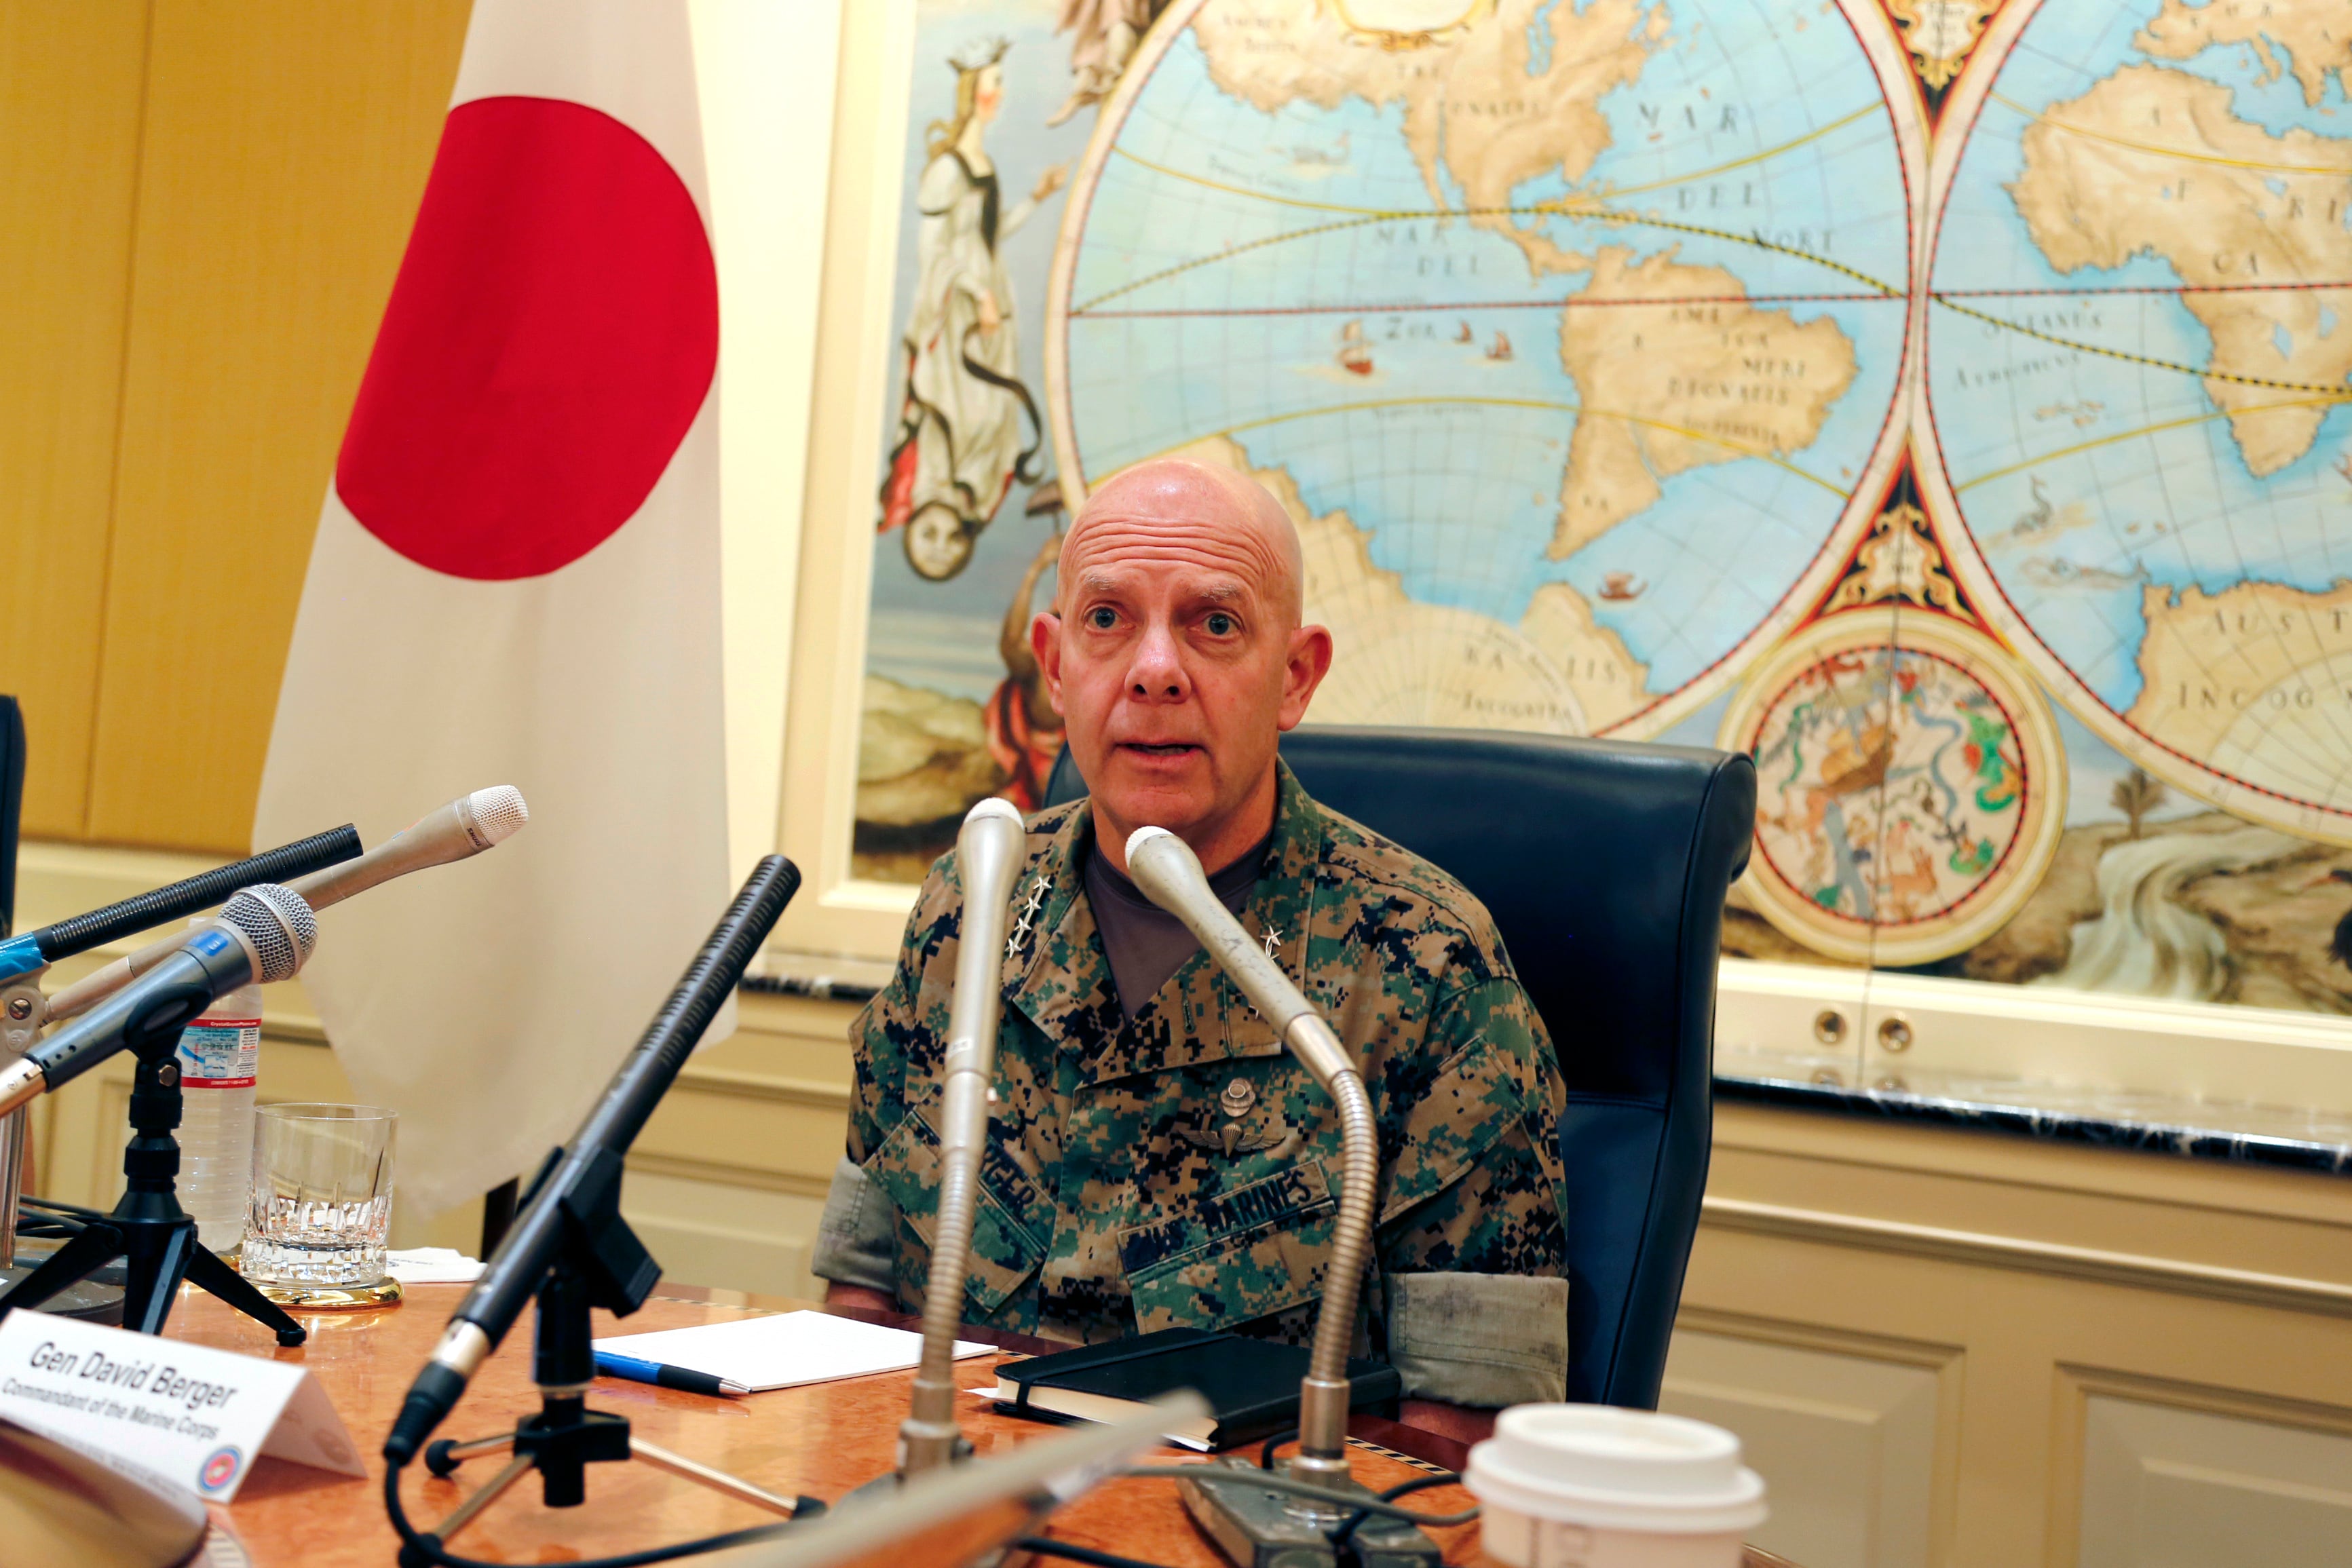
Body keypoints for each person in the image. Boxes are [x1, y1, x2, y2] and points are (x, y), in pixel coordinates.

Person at [816, 459, 1571, 1440]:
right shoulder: (973, 900)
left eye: (1213, 624)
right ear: (1053, 665)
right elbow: (860, 1300)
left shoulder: (1428, 964)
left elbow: (1459, 1433)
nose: (1153, 669)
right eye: (1106, 619)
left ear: (1294, 675)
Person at [877, 39, 1067, 581]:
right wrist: (976, 293)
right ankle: (941, 483)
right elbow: (934, 253)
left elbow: (985, 237)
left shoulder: (979, 160)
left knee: (990, 416)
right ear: (972, 91)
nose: (999, 95)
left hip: (989, 310)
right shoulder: (945, 171)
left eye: (1002, 84)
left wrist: (1035, 198)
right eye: (994, 84)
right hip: (956, 315)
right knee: (967, 415)